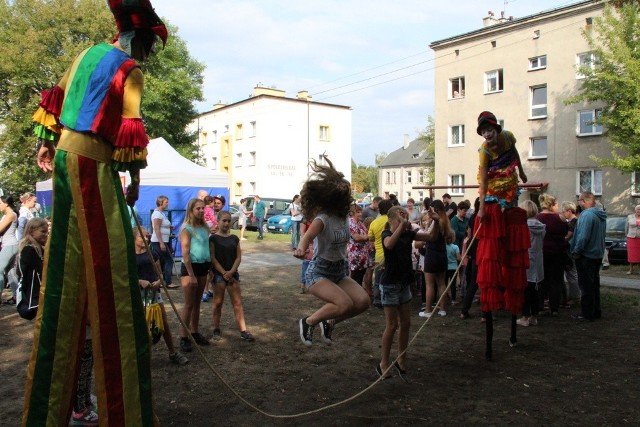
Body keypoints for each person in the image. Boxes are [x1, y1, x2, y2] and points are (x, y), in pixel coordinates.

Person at [25, 1, 168, 423]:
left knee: (67, 267)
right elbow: (130, 130)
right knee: (111, 272)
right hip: (94, 165)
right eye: (146, 48)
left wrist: (46, 143)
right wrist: (135, 181)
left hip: (66, 163)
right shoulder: (130, 70)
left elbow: (57, 100)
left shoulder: (85, 55)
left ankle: (49, 410)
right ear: (138, 42)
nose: (144, 56)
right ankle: (123, 412)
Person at [294, 156, 370, 346]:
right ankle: (308, 322)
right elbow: (307, 236)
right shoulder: (323, 218)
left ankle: (329, 322)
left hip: (338, 271)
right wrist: (301, 249)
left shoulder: (344, 217)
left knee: (362, 302)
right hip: (318, 272)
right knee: (344, 303)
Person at [475, 111, 530, 359]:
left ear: (497, 129)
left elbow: (516, 155)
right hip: (494, 194)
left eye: (490, 130)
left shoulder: (508, 137)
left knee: (512, 213)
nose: (488, 134)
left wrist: (523, 172)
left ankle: (513, 327)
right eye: (484, 131)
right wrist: (483, 207)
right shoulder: (484, 151)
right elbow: (484, 180)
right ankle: (490, 336)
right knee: (491, 251)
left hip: (511, 190)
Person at [377, 206, 439, 379]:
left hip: (404, 283)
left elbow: (432, 236)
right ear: (391, 219)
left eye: (405, 216)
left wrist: (436, 221)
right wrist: (401, 226)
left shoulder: (408, 233)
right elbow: (389, 245)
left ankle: (401, 359)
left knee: (406, 323)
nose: (404, 219)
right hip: (390, 284)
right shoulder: (386, 234)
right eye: (400, 216)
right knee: (392, 325)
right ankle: (383, 363)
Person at [134, 225, 189, 365]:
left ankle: (173, 352)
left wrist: (159, 281)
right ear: (134, 238)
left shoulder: (153, 253)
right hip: (138, 295)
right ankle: (141, 357)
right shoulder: (129, 256)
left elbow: (160, 274)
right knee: (141, 325)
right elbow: (125, 277)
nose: (146, 238)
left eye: (147, 235)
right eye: (142, 236)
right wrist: (140, 281)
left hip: (154, 293)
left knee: (162, 322)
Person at [209, 210, 255, 341]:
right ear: (218, 221)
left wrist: (231, 272)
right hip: (218, 275)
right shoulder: (213, 238)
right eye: (224, 220)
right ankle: (216, 328)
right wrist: (223, 272)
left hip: (233, 275)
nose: (226, 223)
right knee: (218, 303)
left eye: (229, 221)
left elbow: (238, 257)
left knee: (237, 303)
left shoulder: (234, 238)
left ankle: (243, 330)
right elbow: (212, 258)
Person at [178, 198, 212, 352]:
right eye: (198, 208)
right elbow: (185, 253)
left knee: (197, 303)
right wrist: (191, 274)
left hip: (203, 267)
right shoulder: (187, 228)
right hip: (190, 267)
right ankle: (184, 337)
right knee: (189, 303)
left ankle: (195, 332)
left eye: (203, 208)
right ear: (191, 210)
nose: (201, 211)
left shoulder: (205, 228)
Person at [571, 191, 606, 321]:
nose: (579, 203)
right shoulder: (600, 215)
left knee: (586, 286)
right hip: (597, 254)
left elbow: (583, 236)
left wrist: (577, 251)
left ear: (583, 201)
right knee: (594, 285)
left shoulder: (587, 215)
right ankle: (596, 310)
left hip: (586, 255)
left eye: (580, 201)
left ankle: (587, 314)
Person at [417, 200, 452, 317]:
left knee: (429, 284)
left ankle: (427, 310)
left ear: (435, 209)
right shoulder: (446, 221)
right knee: (441, 283)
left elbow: (429, 236)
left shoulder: (436, 223)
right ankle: (442, 309)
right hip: (442, 253)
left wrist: (426, 226)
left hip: (432, 253)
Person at [535, 193, 568, 315]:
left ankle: (539, 305)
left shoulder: (537, 218)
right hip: (557, 253)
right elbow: (565, 232)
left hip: (541, 252)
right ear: (552, 205)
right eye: (557, 204)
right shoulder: (560, 219)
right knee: (556, 281)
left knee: (541, 280)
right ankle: (555, 307)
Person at [517, 200, 545, 327]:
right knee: (535, 290)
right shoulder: (541, 227)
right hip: (538, 260)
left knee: (525, 290)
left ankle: (525, 316)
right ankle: (534, 315)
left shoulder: (524, 227)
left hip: (526, 259)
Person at [368, 199, 393, 306]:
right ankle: (390, 299)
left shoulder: (374, 222)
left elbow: (371, 239)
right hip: (392, 255)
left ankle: (377, 300)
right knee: (391, 280)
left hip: (379, 256)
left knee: (378, 280)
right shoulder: (393, 221)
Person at [151, 195, 178, 288]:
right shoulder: (157, 214)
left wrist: (168, 227)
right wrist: (161, 243)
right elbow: (156, 228)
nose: (167, 203)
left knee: (163, 261)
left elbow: (161, 226)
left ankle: (163, 281)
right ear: (160, 202)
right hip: (159, 242)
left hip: (163, 241)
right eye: (166, 202)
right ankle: (168, 282)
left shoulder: (161, 213)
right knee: (169, 260)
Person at [0, 195, 19, 305]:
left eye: (0, 203)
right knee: (11, 273)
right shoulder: (6, 215)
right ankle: (18, 297)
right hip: (9, 245)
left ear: (6, 203)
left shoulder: (11, 215)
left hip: (10, 245)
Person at [561, 201, 581, 306]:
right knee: (571, 275)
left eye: (564, 211)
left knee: (572, 275)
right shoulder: (575, 221)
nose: (563, 213)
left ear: (569, 211)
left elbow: (568, 237)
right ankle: (573, 295)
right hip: (571, 250)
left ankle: (576, 297)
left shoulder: (573, 222)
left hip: (571, 251)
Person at [347, 204, 371, 286]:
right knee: (355, 279)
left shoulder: (360, 223)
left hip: (362, 256)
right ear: (352, 213)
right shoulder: (350, 223)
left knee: (360, 278)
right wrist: (366, 237)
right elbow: (356, 237)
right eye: (358, 212)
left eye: (361, 211)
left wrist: (365, 237)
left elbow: (367, 235)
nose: (360, 214)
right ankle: (354, 297)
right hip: (356, 256)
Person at [445, 230, 461, 303]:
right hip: (453, 267)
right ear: (453, 238)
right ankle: (453, 299)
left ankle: (445, 297)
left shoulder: (443, 247)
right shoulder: (455, 247)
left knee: (444, 283)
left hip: (445, 267)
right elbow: (458, 258)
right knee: (453, 284)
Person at [625, 204, 640, 274]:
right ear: (635, 210)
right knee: (631, 254)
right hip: (631, 238)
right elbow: (626, 227)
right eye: (638, 209)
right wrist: (626, 235)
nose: (639, 211)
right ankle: (631, 269)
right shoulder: (630, 217)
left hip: (639, 238)